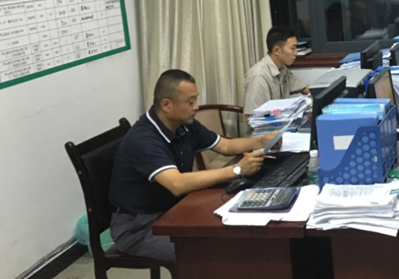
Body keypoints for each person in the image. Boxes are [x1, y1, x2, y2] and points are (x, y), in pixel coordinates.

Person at [109, 69, 280, 262]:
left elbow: (225, 146)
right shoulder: (143, 140)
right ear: (166, 105)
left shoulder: (184, 125)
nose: (196, 107)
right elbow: (177, 184)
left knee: (238, 231)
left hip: (172, 209)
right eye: (190, 102)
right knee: (216, 252)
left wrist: (261, 141)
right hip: (138, 228)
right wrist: (237, 170)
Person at [243, 25, 309, 118]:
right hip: (268, 126)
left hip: (281, 121)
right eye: (292, 48)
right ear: (277, 50)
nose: (296, 53)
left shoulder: (282, 69)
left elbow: (304, 88)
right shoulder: (259, 76)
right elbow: (250, 118)